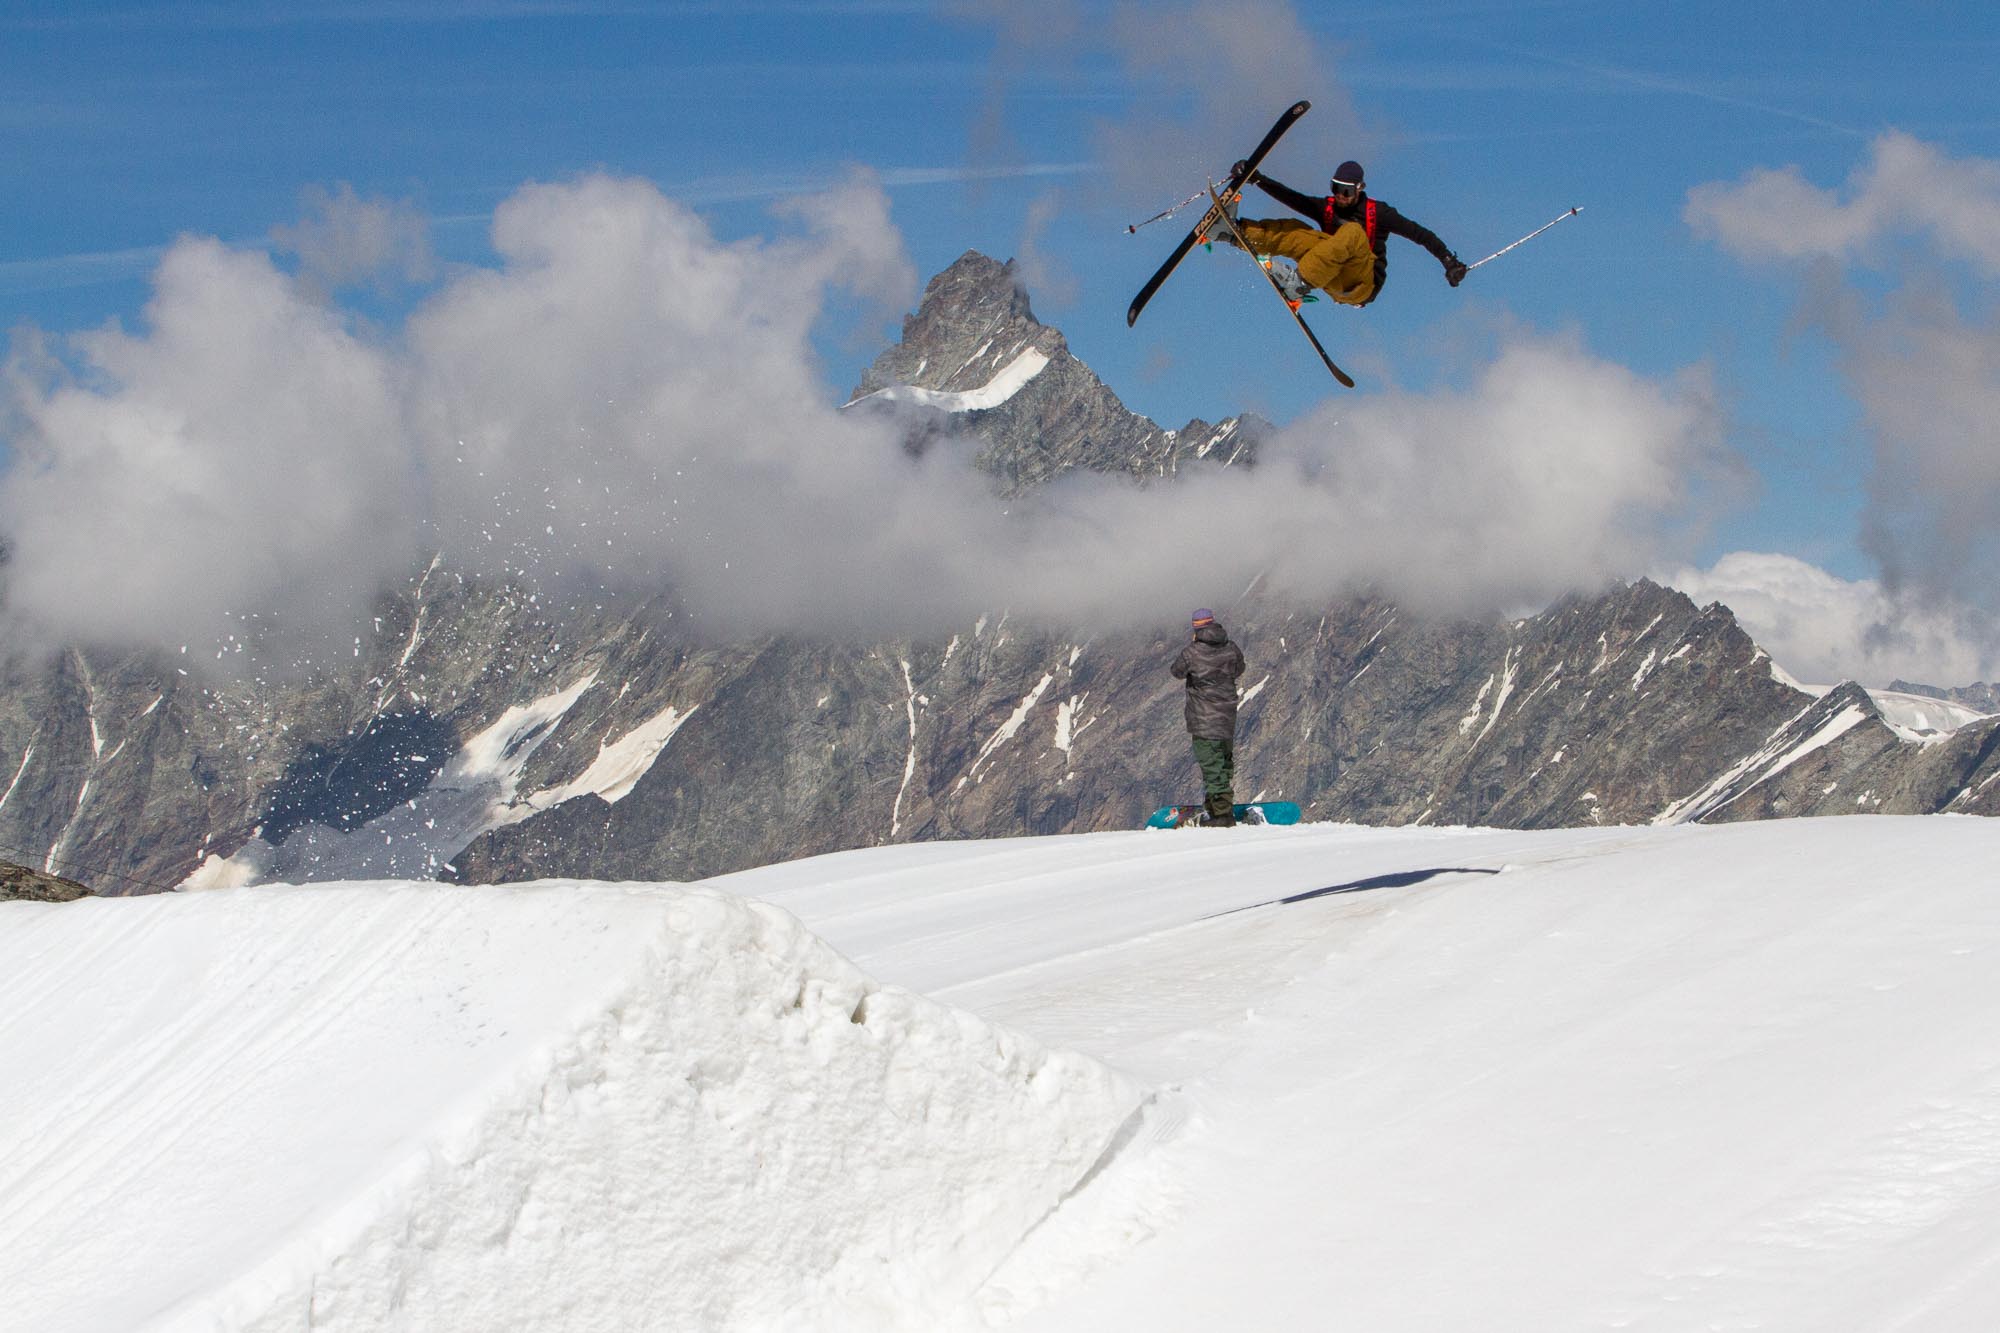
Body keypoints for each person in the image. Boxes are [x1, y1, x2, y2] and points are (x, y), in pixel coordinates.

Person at [1212, 158, 1467, 307]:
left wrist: (1449, 261)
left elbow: (1419, 234)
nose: (1340, 196)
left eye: (1346, 191)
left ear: (1359, 189)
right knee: (1299, 232)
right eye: (1336, 188)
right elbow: (1294, 199)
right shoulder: (1328, 207)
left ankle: (1298, 284)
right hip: (1329, 276)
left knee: (1352, 233)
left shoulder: (1378, 213)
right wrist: (1257, 179)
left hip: (1362, 284)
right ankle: (1232, 233)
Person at [1169, 608, 1247, 827]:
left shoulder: (1192, 653)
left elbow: (1176, 671)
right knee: (1223, 764)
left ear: (1196, 628)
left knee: (1211, 766)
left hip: (1203, 720)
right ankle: (1215, 807)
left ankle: (1222, 815)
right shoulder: (1231, 649)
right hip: (1226, 718)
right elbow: (1239, 668)